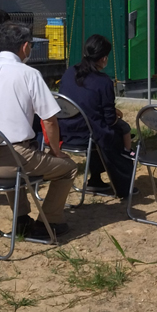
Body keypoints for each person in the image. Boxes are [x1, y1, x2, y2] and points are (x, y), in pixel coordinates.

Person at [0, 21, 76, 237]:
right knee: (68, 168)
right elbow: (49, 120)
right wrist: (55, 152)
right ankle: (50, 221)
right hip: (14, 160)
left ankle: (21, 218)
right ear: (26, 47)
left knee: (15, 159)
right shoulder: (29, 74)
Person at [58, 35, 136, 197]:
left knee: (100, 129)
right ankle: (125, 180)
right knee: (116, 132)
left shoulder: (69, 72)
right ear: (104, 58)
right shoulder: (103, 82)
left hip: (65, 130)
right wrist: (115, 115)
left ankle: (95, 179)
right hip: (88, 134)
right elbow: (108, 120)